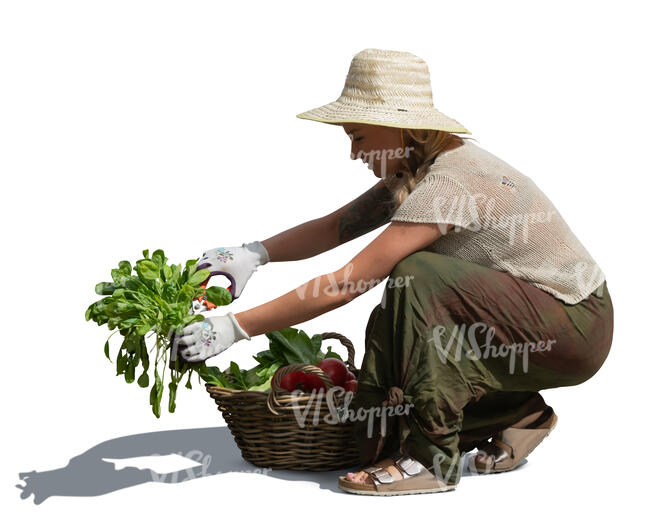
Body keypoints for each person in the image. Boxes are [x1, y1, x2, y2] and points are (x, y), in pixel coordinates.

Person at [175, 48, 613, 496]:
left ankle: (431, 462)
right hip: (539, 322)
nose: (353, 152)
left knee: (417, 276)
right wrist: (253, 254)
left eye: (359, 137)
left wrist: (234, 327)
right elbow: (333, 228)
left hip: (574, 324)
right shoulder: (418, 171)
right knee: (415, 312)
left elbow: (349, 282)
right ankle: (518, 414)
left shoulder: (450, 182)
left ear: (401, 128)